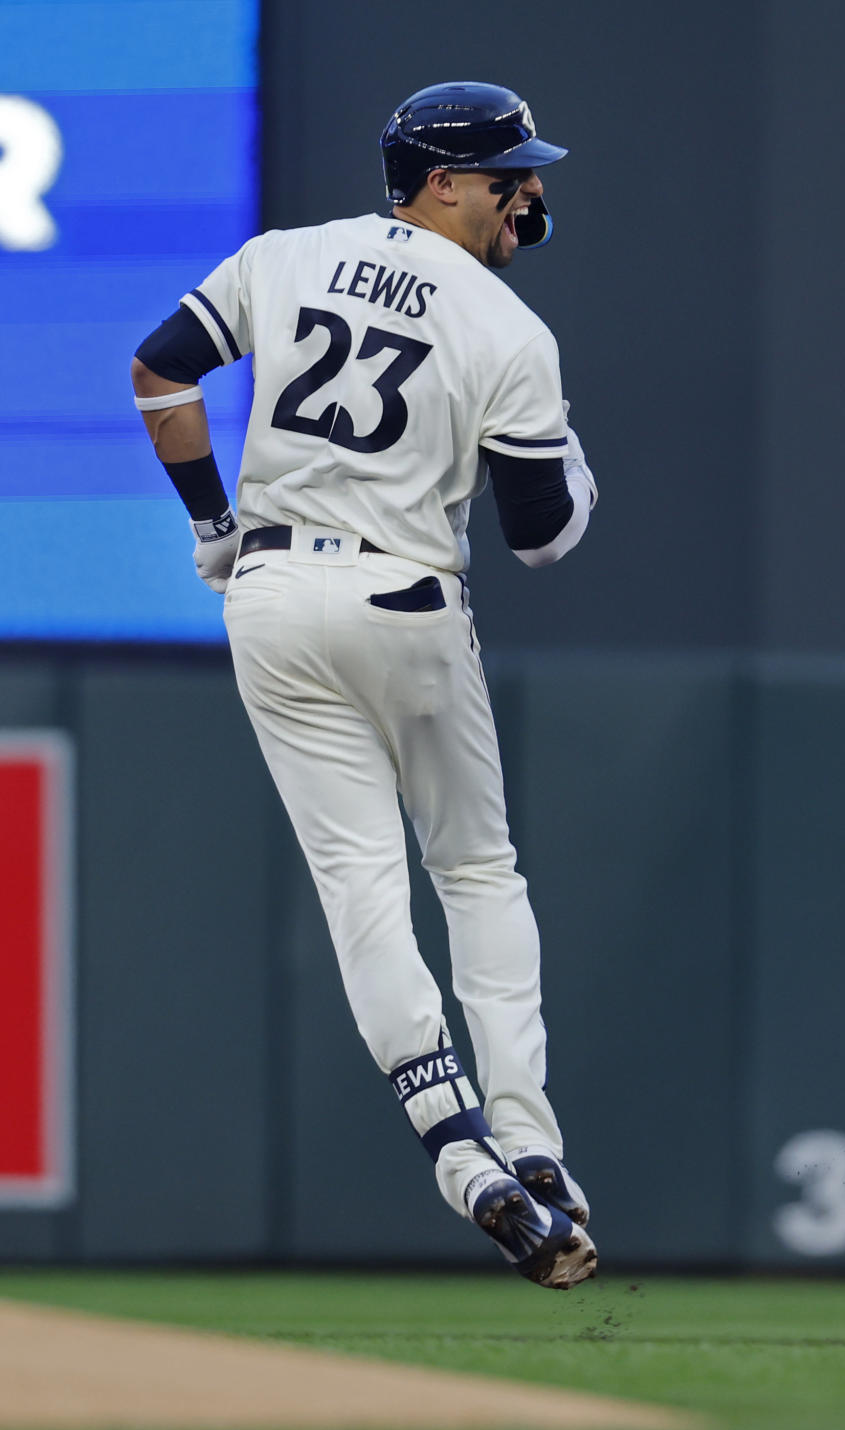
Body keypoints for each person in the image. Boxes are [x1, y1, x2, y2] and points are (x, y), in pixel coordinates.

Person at [131, 81, 598, 1289]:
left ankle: (459, 1154)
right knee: (477, 868)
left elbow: (160, 376)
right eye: (508, 176)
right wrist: (570, 456)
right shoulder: (505, 326)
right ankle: (531, 1144)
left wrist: (211, 527)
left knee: (358, 883)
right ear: (441, 183)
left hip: (275, 594)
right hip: (406, 597)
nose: (528, 192)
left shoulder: (285, 256)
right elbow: (545, 537)